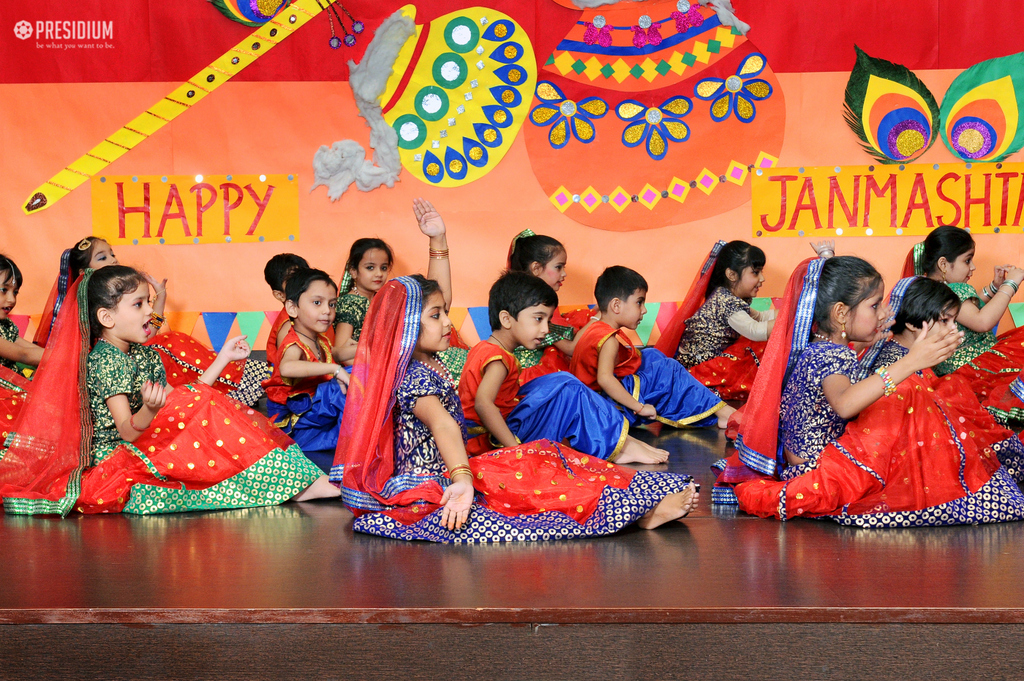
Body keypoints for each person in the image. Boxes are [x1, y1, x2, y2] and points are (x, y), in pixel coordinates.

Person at [330, 275, 700, 543]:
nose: (447, 323)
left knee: (547, 458)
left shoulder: (430, 362)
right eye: (436, 315)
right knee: (531, 496)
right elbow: (443, 424)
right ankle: (642, 516)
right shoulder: (414, 375)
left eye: (444, 313)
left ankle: (638, 505)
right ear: (406, 326)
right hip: (435, 483)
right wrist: (461, 480)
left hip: (457, 466)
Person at [0, 266, 340, 516]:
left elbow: (185, 396)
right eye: (139, 305)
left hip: (145, 435)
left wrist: (223, 359)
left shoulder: (143, 352)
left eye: (149, 302)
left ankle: (294, 482)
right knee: (201, 416)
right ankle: (293, 485)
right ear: (106, 317)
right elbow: (127, 432)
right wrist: (149, 410)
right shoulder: (104, 361)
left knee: (205, 402)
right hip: (120, 455)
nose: (151, 311)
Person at [722, 257, 1024, 526]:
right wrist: (911, 362)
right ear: (841, 313)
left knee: (912, 397)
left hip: (822, 458)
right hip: (819, 470)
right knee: (908, 394)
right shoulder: (826, 354)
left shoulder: (830, 347)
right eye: (874, 305)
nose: (882, 313)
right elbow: (844, 404)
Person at [458, 271, 668, 464]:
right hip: (494, 441)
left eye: (547, 320)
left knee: (561, 381)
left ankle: (622, 441)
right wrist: (515, 450)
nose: (545, 329)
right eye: (538, 319)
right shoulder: (497, 359)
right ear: (506, 319)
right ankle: (620, 446)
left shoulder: (486, 348)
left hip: (500, 429)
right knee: (568, 388)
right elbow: (483, 404)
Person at [35, 237, 268, 405]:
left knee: (172, 345)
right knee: (170, 347)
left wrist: (161, 296)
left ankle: (243, 388)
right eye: (103, 257)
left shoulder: (141, 345)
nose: (113, 259)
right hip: (121, 371)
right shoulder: (94, 335)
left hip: (141, 355)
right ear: (84, 270)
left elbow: (152, 328)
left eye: (112, 253)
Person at [569, 266, 734, 430]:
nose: (644, 310)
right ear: (616, 306)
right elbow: (605, 379)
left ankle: (713, 409)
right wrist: (639, 407)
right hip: (600, 408)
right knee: (668, 368)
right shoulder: (608, 340)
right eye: (639, 303)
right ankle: (721, 411)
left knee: (651, 355)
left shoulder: (595, 327)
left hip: (594, 399)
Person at [331, 199, 469, 383]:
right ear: (353, 271)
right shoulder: (351, 302)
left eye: (384, 267)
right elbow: (341, 352)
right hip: (381, 371)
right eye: (370, 268)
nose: (378, 274)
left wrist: (439, 240)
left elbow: (439, 299)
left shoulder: (387, 300)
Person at [904, 225, 1024, 399]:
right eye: (967, 260)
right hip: (976, 370)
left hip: (957, 376)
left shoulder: (927, 291)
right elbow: (982, 322)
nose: (973, 267)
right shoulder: (950, 291)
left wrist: (994, 288)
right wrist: (1010, 285)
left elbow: (967, 310)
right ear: (943, 264)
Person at [656, 240, 774, 401]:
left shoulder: (726, 297)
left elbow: (761, 317)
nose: (763, 278)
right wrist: (794, 319)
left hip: (707, 365)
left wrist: (794, 311)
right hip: (699, 371)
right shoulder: (725, 301)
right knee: (761, 343)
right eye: (756, 272)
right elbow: (756, 331)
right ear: (731, 274)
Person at [263, 268, 350, 453]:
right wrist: (335, 369)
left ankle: (355, 439)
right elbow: (287, 367)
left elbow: (333, 354)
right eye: (317, 303)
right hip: (294, 423)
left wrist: (365, 350)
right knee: (342, 384)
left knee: (360, 373)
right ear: (293, 308)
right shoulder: (294, 343)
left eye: (332, 304)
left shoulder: (319, 339)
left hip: (312, 420)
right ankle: (356, 444)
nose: (327, 310)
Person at [506, 230, 594, 382]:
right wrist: (599, 318)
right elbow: (572, 348)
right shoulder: (534, 304)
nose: (564, 274)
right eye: (559, 267)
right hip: (529, 370)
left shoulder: (530, 296)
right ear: (536, 269)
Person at [0, 255, 36, 443]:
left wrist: (70, 354)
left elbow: (29, 348)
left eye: (15, 292)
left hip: (12, 396)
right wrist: (71, 356)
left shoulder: (5, 326)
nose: (11, 299)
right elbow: (23, 354)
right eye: (3, 290)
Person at [263, 252, 313, 366]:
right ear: (280, 295)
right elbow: (290, 368)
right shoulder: (287, 327)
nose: (305, 286)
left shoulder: (305, 317)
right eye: (294, 283)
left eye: (305, 279)